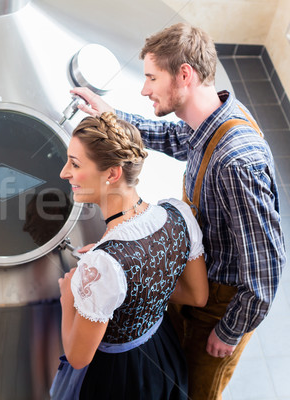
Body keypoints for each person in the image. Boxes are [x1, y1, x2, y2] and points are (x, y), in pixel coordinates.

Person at [72, 22, 286, 399]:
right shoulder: (210, 120)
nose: (144, 89)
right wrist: (113, 116)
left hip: (219, 312)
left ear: (183, 75)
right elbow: (172, 137)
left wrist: (229, 331)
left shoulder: (237, 161)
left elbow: (266, 270)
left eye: (152, 78)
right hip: (199, 291)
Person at [56, 112, 208, 399]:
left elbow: (78, 358)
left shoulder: (103, 264)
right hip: (163, 352)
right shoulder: (179, 214)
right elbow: (196, 295)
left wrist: (69, 299)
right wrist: (128, 283)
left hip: (118, 377)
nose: (64, 173)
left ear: (112, 174)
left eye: (74, 164)